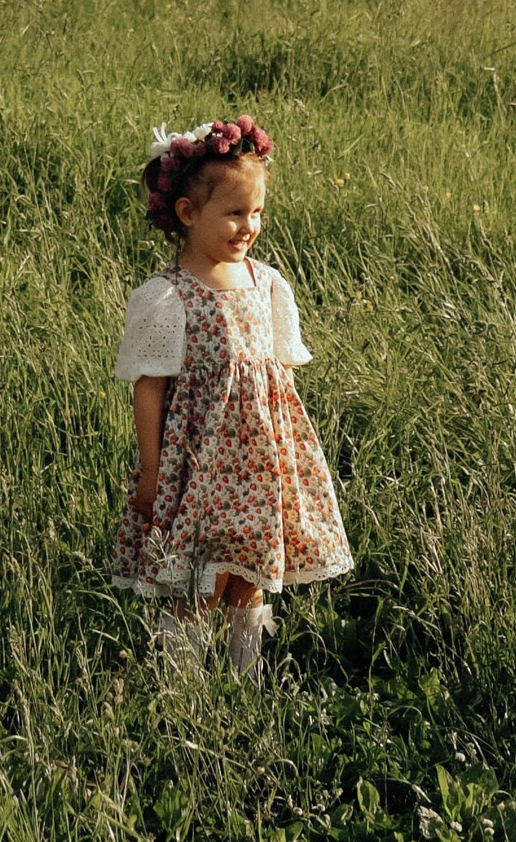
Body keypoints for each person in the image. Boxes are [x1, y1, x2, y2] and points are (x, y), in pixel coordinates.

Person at [111, 113, 351, 677]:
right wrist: (151, 475)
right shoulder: (167, 297)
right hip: (199, 463)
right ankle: (183, 682)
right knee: (201, 575)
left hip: (260, 463)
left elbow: (277, 382)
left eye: (258, 213)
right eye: (235, 213)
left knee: (249, 574)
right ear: (188, 214)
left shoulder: (267, 284)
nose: (249, 226)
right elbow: (149, 390)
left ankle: (244, 680)